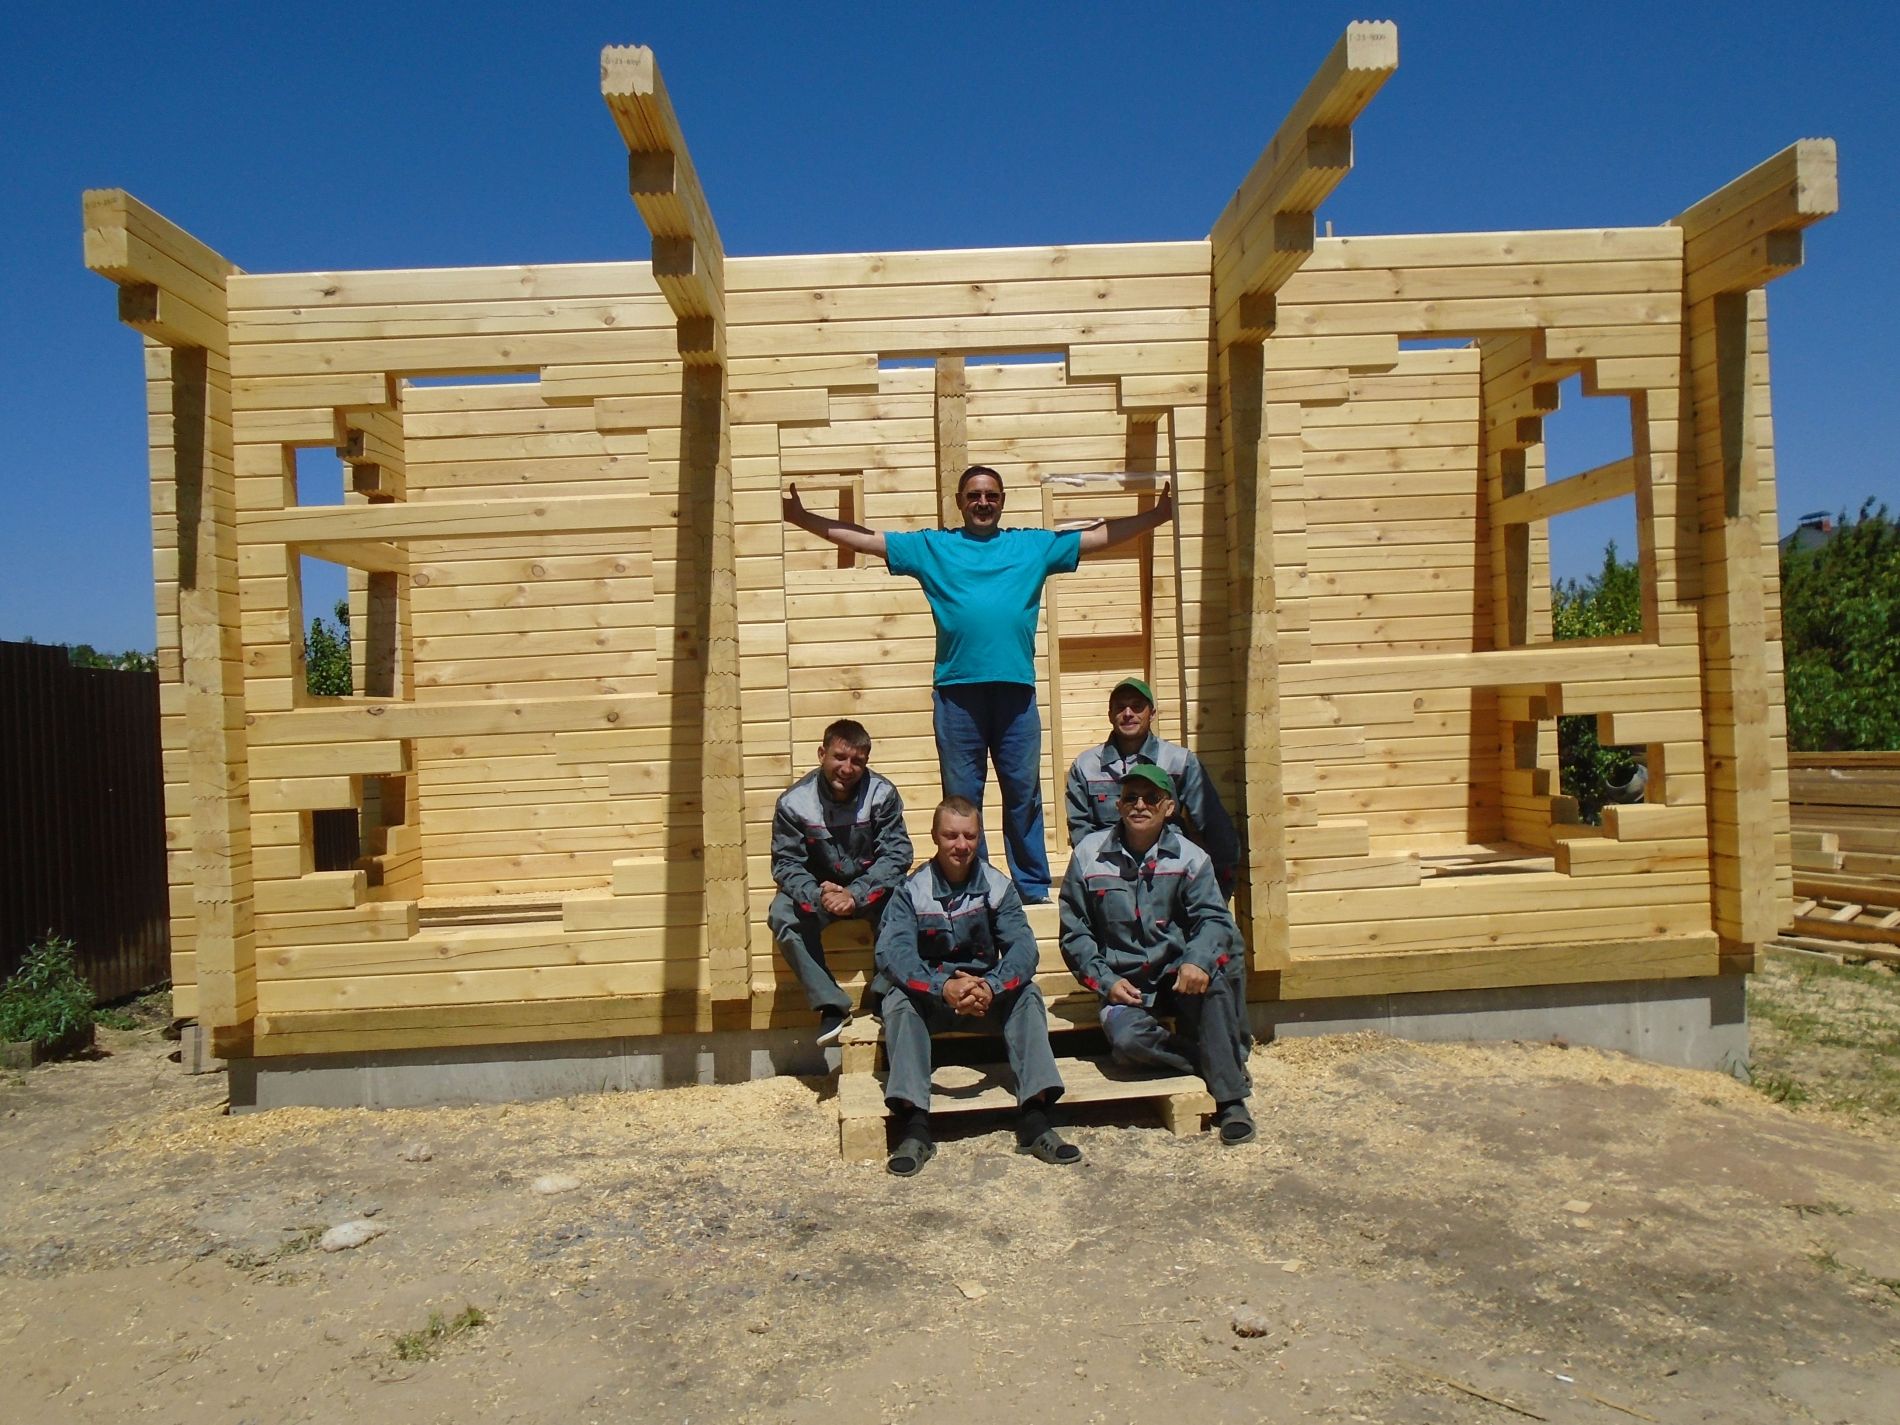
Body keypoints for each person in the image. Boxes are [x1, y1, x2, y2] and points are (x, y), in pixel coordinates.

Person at [783, 465, 1172, 903]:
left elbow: (1098, 537)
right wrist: (804, 519)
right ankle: (979, 886)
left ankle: (1030, 887)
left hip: (1015, 694)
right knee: (963, 799)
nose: (982, 502)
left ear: (1002, 501)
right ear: (960, 502)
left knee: (1023, 793)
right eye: (973, 495)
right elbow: (866, 539)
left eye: (990, 495)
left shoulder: (1032, 546)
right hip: (957, 695)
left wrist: (1157, 516)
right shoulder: (934, 547)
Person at [872, 796, 1081, 1176]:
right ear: (935, 836)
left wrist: (993, 986)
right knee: (899, 1000)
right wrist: (940, 988)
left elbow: (1023, 948)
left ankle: (1035, 1119)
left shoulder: (998, 887)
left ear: (979, 837)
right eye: (951, 835)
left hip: (985, 996)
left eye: (969, 836)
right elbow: (893, 954)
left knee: (1028, 994)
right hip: (931, 999)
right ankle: (915, 1126)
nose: (961, 845)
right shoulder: (911, 891)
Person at [1059, 765, 1256, 1145]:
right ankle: (1215, 1063)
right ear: (1118, 805)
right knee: (1126, 1041)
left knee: (1216, 972)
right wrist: (1106, 980)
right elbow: (1074, 932)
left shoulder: (1190, 857)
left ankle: (1231, 1102)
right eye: (1131, 797)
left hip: (1176, 976)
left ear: (1168, 807)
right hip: (1124, 985)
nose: (1140, 805)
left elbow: (1214, 918)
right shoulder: (1088, 856)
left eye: (1151, 798)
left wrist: (1196, 960)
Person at [767, 719, 913, 1046]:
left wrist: (856, 893)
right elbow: (786, 864)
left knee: (906, 898)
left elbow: (898, 854)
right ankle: (831, 1005)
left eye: (857, 761)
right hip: (821, 894)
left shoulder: (882, 794)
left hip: (868, 890)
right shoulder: (794, 802)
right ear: (822, 754)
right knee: (782, 914)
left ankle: (885, 992)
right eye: (839, 757)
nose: (847, 768)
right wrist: (819, 894)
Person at [1063, 675, 1240, 896]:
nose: (1128, 714)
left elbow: (1213, 823)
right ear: (1110, 715)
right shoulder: (1085, 765)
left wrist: (1221, 883)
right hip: (1109, 877)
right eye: (1120, 707)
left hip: (1168, 873)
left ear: (1152, 713)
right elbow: (1081, 832)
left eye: (1137, 707)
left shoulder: (1179, 761)